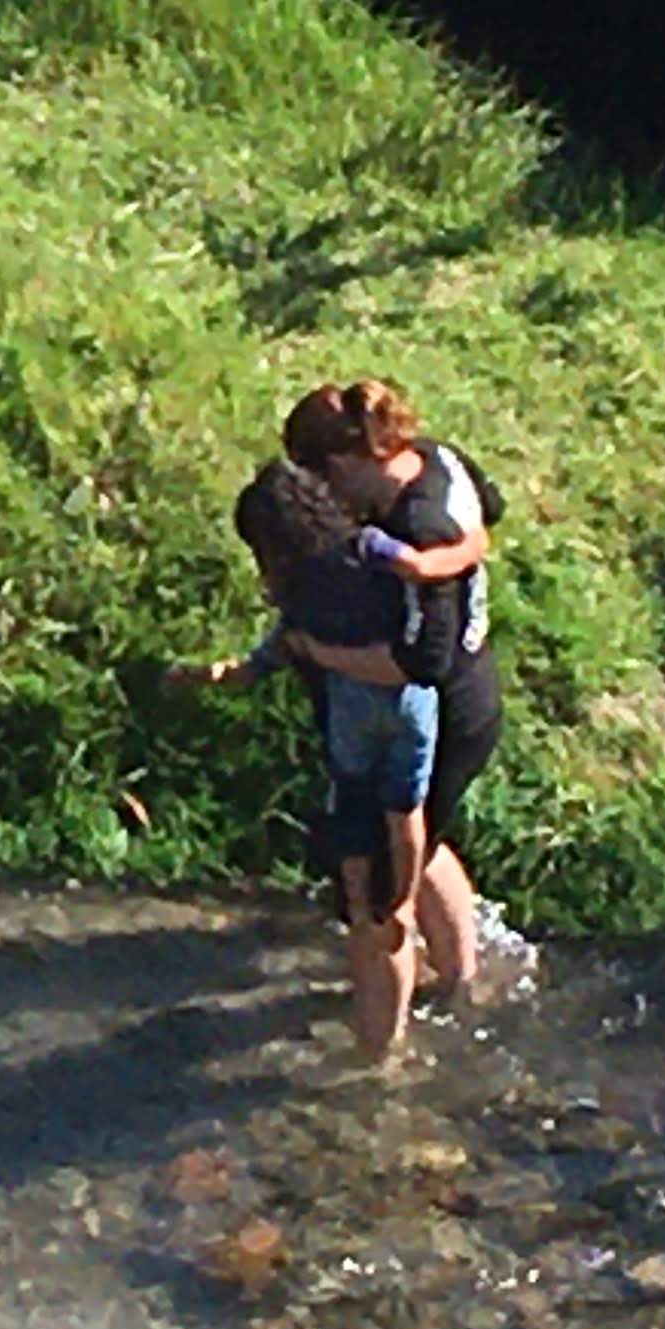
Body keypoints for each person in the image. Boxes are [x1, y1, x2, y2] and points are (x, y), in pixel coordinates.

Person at [186, 459, 436, 1062]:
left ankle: (362, 903)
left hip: (353, 714)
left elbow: (284, 643)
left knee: (353, 804)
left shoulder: (298, 587)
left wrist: (233, 672)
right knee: (406, 808)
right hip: (410, 705)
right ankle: (400, 903)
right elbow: (410, 587)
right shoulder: (365, 551)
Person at [284, 378, 507, 1002]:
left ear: (348, 463)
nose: (324, 499)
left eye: (322, 481)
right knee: (423, 831)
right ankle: (462, 980)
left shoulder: (417, 526)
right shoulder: (437, 457)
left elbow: (419, 665)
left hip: (448, 713)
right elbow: (492, 509)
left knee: (382, 898)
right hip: (475, 689)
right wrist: (460, 555)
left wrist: (312, 650)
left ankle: (380, 1061)